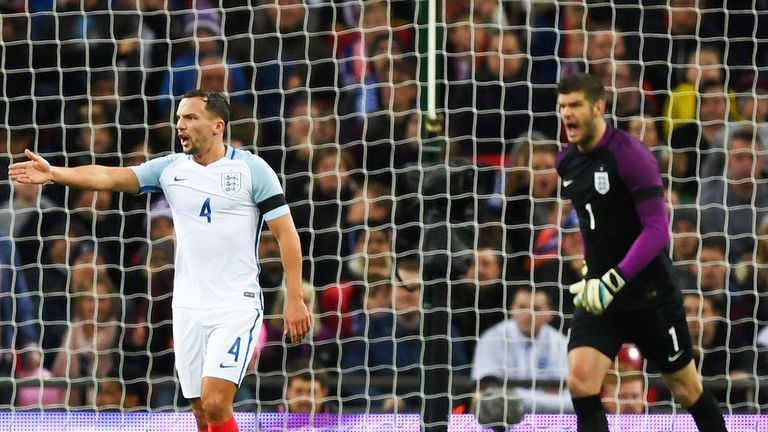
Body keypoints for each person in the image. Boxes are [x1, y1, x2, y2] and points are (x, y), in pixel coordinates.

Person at [9, 89, 311, 432]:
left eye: (190, 117)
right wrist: (55, 174)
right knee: (200, 411)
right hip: (187, 307)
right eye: (179, 117)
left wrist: (295, 298)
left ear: (217, 125)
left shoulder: (252, 170)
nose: (180, 125)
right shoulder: (171, 170)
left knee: (216, 402)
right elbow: (109, 176)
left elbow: (287, 234)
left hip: (235, 305)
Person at [555, 73, 726, 432]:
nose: (566, 114)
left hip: (649, 293)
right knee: (581, 381)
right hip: (601, 295)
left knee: (686, 388)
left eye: (575, 106)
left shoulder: (630, 155)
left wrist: (614, 276)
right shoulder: (566, 162)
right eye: (562, 107)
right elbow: (598, 224)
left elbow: (657, 229)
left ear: (598, 107)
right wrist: (594, 271)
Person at [471, 285, 572, 413]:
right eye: (522, 307)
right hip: (504, 416)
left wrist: (513, 397)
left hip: (550, 420)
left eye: (536, 309)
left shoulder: (561, 343)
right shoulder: (491, 338)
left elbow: (569, 398)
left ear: (550, 313)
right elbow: (486, 393)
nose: (528, 314)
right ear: (512, 308)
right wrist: (546, 398)